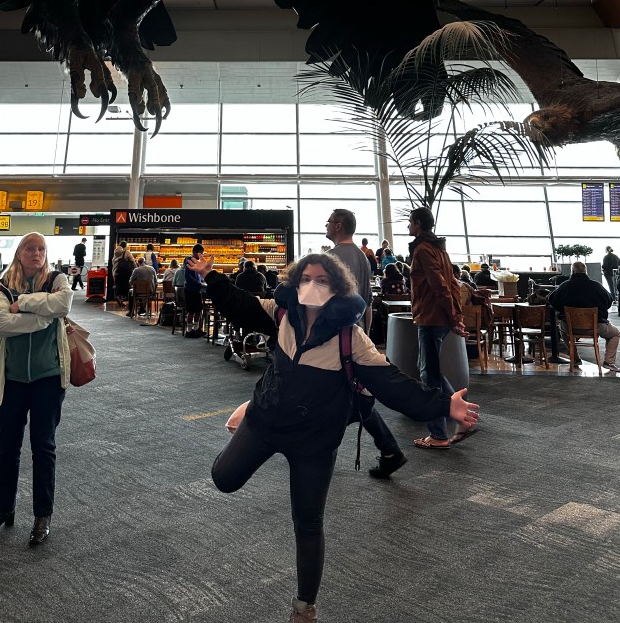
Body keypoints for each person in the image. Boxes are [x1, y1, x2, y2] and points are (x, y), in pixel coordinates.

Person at [192, 251, 479, 622]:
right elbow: (239, 304)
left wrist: (443, 405)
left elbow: (391, 383)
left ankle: (304, 608)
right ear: (295, 283)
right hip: (265, 422)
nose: (312, 286)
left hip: (314, 442)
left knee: (308, 523)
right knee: (223, 478)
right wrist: (211, 276)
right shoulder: (282, 314)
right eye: (306, 278)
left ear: (337, 288)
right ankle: (250, 406)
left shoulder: (350, 338)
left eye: (322, 280)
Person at [0, 232, 73, 546]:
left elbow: (63, 304)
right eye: (30, 248)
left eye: (41, 249)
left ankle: (43, 515)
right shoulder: (5, 284)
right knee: (7, 448)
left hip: (48, 377)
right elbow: (2, 325)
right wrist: (41, 318)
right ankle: (2, 510)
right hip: (12, 379)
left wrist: (25, 304)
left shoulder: (57, 280)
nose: (37, 253)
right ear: (19, 252)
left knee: (43, 447)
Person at [325, 209, 405, 479]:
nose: (326, 225)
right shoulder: (363, 257)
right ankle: (389, 450)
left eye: (328, 222)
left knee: (337, 396)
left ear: (338, 226)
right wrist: (365, 336)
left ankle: (321, 456)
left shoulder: (331, 258)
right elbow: (367, 301)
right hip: (355, 335)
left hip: (335, 338)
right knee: (355, 396)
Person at [408, 206, 470, 450]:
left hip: (431, 317)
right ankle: (461, 415)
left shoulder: (423, 249)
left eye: (410, 222)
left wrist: (454, 317)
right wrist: (455, 315)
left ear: (418, 224)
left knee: (429, 376)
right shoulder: (439, 248)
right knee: (429, 370)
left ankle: (439, 433)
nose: (408, 226)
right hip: (438, 317)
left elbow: (439, 285)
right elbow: (452, 284)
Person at [549, 261, 620, 371]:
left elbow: (553, 301)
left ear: (572, 272)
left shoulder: (564, 286)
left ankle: (575, 358)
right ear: (586, 272)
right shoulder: (597, 286)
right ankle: (608, 362)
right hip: (596, 326)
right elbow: (609, 300)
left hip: (571, 327)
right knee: (615, 334)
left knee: (562, 328)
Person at [183, 243, 206, 338]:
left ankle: (196, 329)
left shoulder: (196, 262)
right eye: (200, 253)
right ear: (195, 252)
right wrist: (198, 283)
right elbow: (188, 277)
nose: (201, 255)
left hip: (196, 289)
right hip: (190, 289)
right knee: (191, 310)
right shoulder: (189, 262)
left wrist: (201, 281)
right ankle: (189, 331)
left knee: (198, 309)